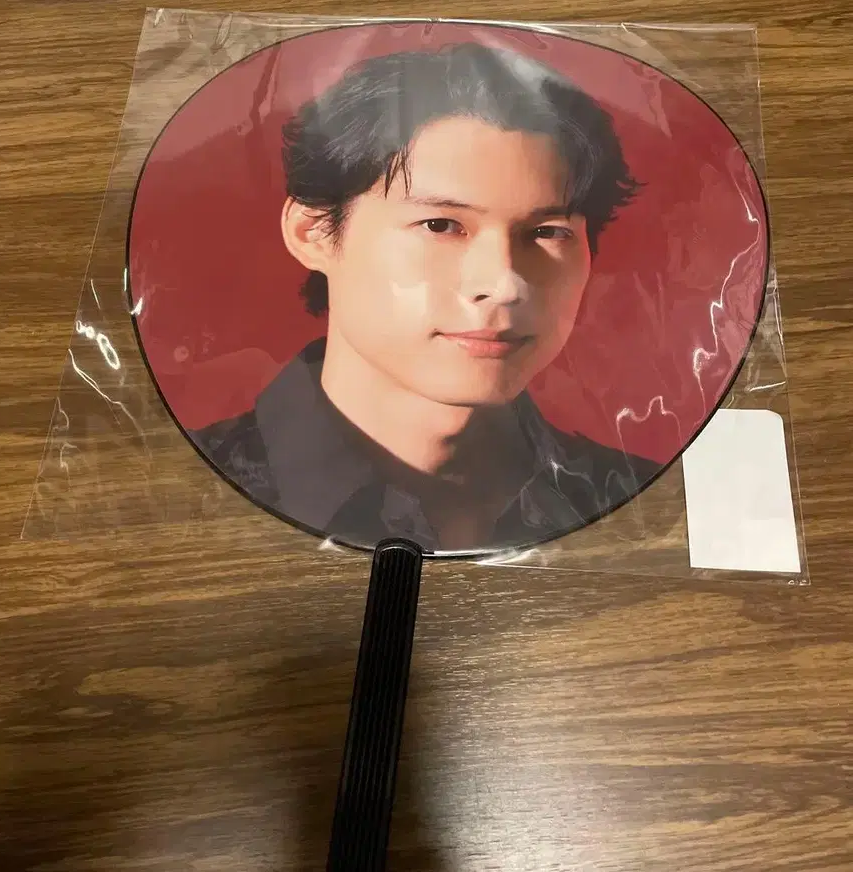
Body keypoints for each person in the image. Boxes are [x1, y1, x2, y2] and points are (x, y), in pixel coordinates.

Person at [191, 42, 659, 554]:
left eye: (547, 232)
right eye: (441, 225)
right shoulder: (177, 493)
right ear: (313, 232)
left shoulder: (646, 504)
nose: (505, 284)